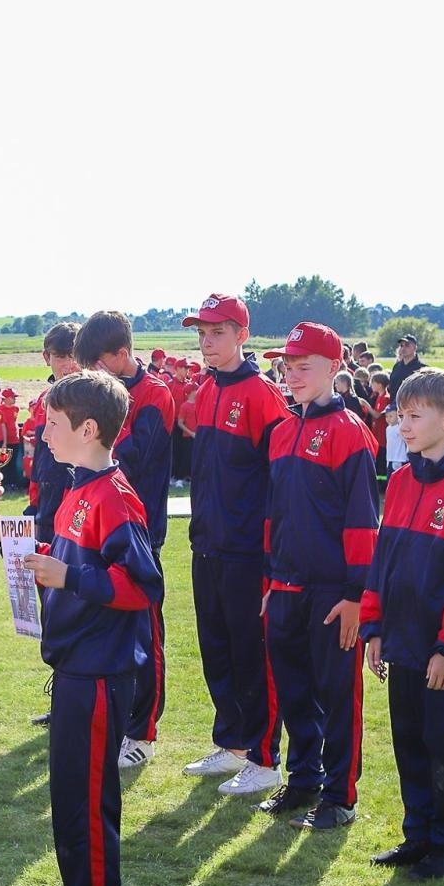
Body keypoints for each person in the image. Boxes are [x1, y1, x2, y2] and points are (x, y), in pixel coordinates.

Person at [20, 370, 161, 886]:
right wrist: (48, 566)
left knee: (89, 802)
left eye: (52, 424)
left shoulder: (115, 497)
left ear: (88, 429)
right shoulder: (79, 489)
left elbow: (143, 586)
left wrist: (70, 577)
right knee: (68, 800)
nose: (43, 433)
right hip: (75, 667)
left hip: (102, 674)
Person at [360, 369, 444, 880]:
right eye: (400, 415)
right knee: (409, 739)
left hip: (440, 650)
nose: (403, 425)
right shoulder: (403, 479)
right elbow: (383, 559)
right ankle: (418, 834)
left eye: (415, 416)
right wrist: (374, 627)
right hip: (402, 640)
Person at [258, 322, 378, 830]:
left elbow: (361, 522)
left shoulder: (351, 433)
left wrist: (357, 596)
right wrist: (269, 584)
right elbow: (273, 516)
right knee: (293, 692)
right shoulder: (282, 431)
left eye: (304, 366)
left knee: (336, 694)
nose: (293, 375)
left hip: (332, 593)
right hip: (283, 587)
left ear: (334, 368)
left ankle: (338, 797)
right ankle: (302, 778)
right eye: (287, 366)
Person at [178, 295, 290, 797]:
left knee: (252, 652)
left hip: (247, 550)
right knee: (216, 648)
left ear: (241, 335)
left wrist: (270, 551)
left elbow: (278, 479)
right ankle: (233, 744)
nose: (206, 341)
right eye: (202, 332)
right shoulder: (206, 389)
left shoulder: (262, 394)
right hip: (208, 543)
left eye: (217, 332)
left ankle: (265, 758)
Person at [73, 312, 173, 770]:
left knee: (146, 635)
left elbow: (130, 459)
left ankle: (143, 733)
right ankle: (114, 721)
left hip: (139, 533)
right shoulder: (101, 394)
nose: (91, 374)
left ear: (121, 355)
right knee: (110, 631)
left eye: (97, 364)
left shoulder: (154, 397)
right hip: (98, 531)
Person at [23, 323, 81, 727]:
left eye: (72, 355)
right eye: (59, 356)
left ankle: (78, 697)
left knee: (77, 607)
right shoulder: (44, 400)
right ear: (47, 358)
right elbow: (42, 463)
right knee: (52, 610)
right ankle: (61, 693)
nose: (66, 363)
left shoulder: (91, 400)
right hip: (47, 512)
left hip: (76, 519)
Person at [388, 333, 426, 398]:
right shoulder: (397, 366)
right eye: (401, 345)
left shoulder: (422, 369)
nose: (403, 348)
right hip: (395, 404)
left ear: (415, 348)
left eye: (407, 345)